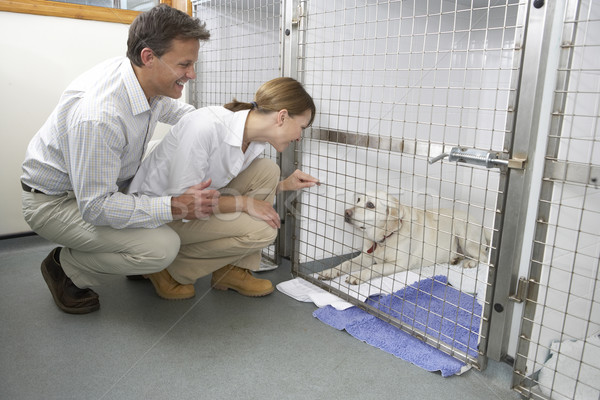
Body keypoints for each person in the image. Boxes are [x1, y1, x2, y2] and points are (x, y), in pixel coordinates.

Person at [21, 4, 218, 315]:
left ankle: (125, 251)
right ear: (149, 57)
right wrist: (175, 205)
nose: (191, 74)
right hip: (56, 202)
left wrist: (230, 124)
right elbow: (96, 206)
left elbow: (183, 116)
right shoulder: (100, 115)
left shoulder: (144, 82)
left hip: (102, 186)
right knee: (161, 247)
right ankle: (65, 267)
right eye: (185, 64)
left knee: (169, 155)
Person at [127, 77, 319, 297]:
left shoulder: (254, 140)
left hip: (185, 210)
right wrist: (245, 203)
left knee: (268, 170)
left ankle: (232, 271)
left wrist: (283, 186)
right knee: (264, 231)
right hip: (160, 217)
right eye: (301, 127)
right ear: (282, 117)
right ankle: (167, 268)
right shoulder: (206, 127)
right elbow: (186, 203)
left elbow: (221, 186)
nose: (299, 137)